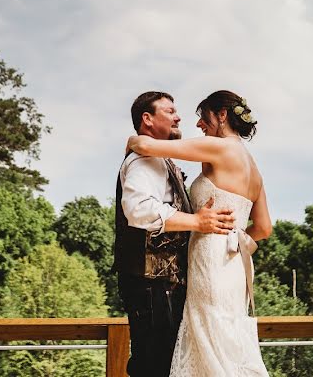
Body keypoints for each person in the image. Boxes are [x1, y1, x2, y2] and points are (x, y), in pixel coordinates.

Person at [127, 89, 272, 377]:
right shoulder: (253, 167)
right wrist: (236, 238)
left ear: (221, 115)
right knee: (225, 336)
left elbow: (146, 146)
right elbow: (264, 228)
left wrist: (132, 140)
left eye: (203, 117)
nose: (198, 125)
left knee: (208, 337)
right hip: (235, 265)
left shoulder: (221, 148)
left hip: (211, 260)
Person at [115, 91, 238, 377]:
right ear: (147, 118)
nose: (178, 116)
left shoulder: (158, 157)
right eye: (170, 111)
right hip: (152, 286)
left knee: (165, 363)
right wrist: (197, 222)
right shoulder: (143, 161)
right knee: (154, 366)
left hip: (164, 286)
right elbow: (138, 209)